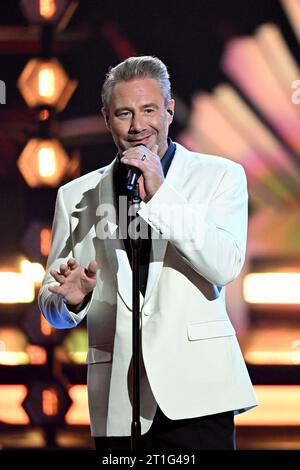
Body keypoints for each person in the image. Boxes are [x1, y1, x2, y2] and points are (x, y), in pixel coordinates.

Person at [38, 56, 258, 451]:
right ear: (107, 118)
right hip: (119, 401)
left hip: (198, 394)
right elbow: (50, 303)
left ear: (170, 110)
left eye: (149, 110)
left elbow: (224, 265)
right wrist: (71, 301)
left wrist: (162, 194)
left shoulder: (220, 176)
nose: (138, 126)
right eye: (124, 113)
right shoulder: (75, 197)